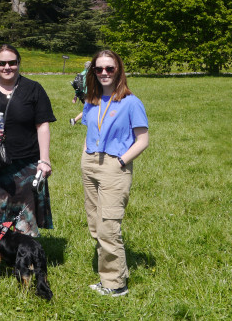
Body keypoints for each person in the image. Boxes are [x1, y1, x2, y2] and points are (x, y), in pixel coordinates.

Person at [81, 50, 149, 297]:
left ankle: (115, 284)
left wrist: (120, 161)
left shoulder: (131, 102)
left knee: (109, 226)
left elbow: (142, 140)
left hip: (114, 165)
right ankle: (106, 277)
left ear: (119, 70)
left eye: (109, 68)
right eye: (99, 69)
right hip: (90, 163)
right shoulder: (92, 100)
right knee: (95, 225)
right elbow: (90, 130)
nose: (104, 73)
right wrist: (85, 157)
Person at [0, 44, 55, 240]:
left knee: (25, 216)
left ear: (19, 63)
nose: (7, 67)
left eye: (12, 62)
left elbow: (42, 125)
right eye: (1, 63)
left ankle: (24, 257)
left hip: (26, 163)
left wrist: (44, 160)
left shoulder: (33, 89)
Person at [71, 61, 92, 125]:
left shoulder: (81, 74)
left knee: (88, 109)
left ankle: (76, 120)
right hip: (88, 94)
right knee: (89, 108)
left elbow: (77, 86)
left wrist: (75, 96)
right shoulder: (90, 75)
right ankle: (74, 120)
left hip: (81, 94)